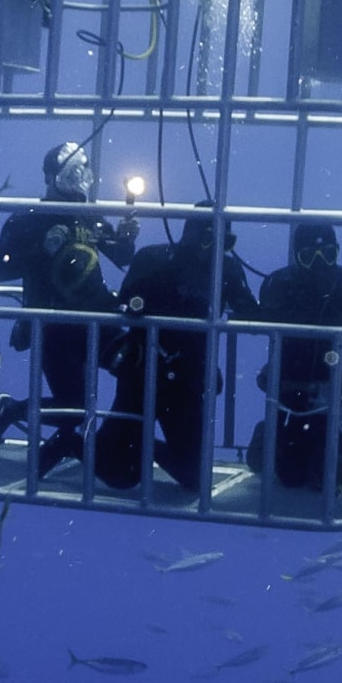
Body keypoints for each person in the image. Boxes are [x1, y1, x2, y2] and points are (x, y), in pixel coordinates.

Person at [0, 142, 137, 475]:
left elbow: (122, 257)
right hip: (53, 326)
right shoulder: (28, 219)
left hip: (100, 322)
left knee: (138, 370)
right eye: (72, 172)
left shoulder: (90, 216)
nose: (80, 179)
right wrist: (42, 250)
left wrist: (126, 238)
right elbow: (1, 269)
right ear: (50, 176)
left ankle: (101, 445)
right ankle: (11, 411)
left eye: (84, 171)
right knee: (74, 408)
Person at [94, 207, 257, 492]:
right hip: (142, 372)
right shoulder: (154, 259)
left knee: (195, 478)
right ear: (189, 235)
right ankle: (80, 443)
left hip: (190, 376)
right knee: (118, 475)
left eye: (223, 242)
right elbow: (125, 303)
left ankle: (138, 445)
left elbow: (251, 311)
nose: (214, 250)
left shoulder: (227, 269)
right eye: (208, 240)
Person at [250, 224, 342, 490]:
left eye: (328, 254)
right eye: (308, 256)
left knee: (323, 482)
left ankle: (322, 463)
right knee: (292, 480)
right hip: (289, 384)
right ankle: (267, 437)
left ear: (338, 252)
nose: (320, 264)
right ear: (296, 256)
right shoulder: (277, 284)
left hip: (336, 385)